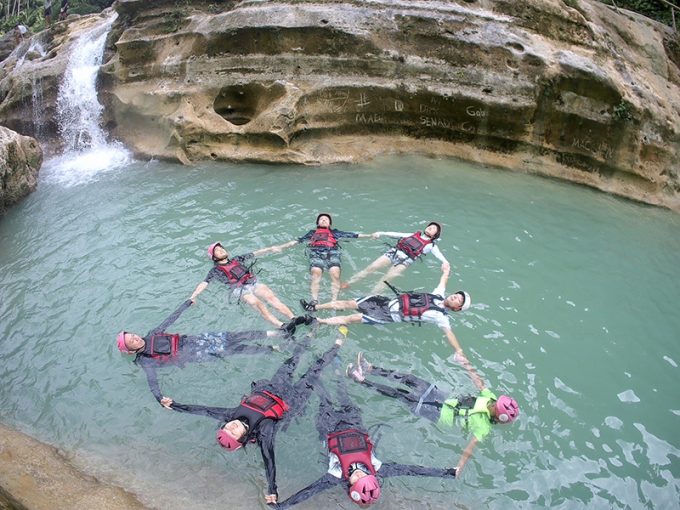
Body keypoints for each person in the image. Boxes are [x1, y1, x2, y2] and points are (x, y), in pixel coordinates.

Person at [159, 327, 348, 506]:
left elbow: (205, 410)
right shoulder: (264, 430)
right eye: (233, 433)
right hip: (292, 400)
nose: (230, 427)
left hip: (272, 389)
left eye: (226, 428)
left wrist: (175, 405)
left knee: (292, 359)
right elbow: (269, 460)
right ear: (242, 438)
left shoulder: (232, 416)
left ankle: (311, 334)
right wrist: (272, 488)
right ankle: (338, 343)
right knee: (314, 370)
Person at [276, 372, 457, 508]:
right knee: (343, 395)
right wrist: (447, 473)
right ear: (373, 477)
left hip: (330, 428)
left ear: (350, 486)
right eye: (365, 476)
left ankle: (316, 376)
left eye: (357, 479)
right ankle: (339, 374)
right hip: (354, 425)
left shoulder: (335, 476)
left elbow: (309, 491)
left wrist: (282, 505)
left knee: (325, 400)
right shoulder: (378, 468)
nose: (360, 474)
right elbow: (412, 470)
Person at [346, 352, 519, 476]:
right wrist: (464, 362)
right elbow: (479, 383)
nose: (494, 402)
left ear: (498, 415)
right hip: (442, 397)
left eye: (496, 406)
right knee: (410, 379)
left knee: (399, 393)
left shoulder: (483, 427)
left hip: (435, 412)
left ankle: (360, 380)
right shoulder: (490, 398)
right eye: (497, 401)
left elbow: (469, 448)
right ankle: (370, 369)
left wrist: (458, 467)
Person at [116, 299, 286, 403]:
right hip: (192, 355)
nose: (136, 338)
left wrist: (186, 304)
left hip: (193, 340)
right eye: (131, 341)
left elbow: (169, 320)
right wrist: (160, 398)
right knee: (233, 350)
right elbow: (152, 380)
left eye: (133, 335)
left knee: (233, 336)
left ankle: (273, 334)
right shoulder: (145, 361)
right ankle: (271, 349)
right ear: (131, 351)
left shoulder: (152, 334)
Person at [302, 263, 471, 356]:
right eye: (457, 295)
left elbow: (450, 334)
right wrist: (446, 270)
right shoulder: (438, 295)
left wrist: (459, 351)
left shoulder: (441, 318)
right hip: (384, 302)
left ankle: (319, 321)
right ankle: (315, 307)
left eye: (459, 300)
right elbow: (443, 280)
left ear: (457, 309)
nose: (456, 297)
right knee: (347, 303)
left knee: (351, 319)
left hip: (387, 315)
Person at [189, 241, 304, 332]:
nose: (221, 250)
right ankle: (281, 325)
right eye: (217, 251)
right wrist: (193, 296)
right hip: (238, 289)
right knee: (257, 303)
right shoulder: (215, 271)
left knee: (271, 297)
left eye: (221, 248)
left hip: (252, 282)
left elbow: (255, 253)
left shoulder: (237, 259)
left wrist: (270, 249)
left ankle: (293, 318)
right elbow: (204, 283)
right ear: (214, 258)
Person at [273, 213, 378, 304]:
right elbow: (297, 241)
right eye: (321, 219)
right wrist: (281, 247)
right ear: (318, 223)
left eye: (326, 219)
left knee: (335, 274)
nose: (323, 220)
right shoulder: (311, 233)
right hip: (316, 252)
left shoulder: (335, 233)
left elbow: (353, 235)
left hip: (332, 252)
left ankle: (334, 300)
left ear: (329, 224)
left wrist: (370, 235)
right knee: (316, 273)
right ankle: (314, 301)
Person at [343, 222, 449, 293]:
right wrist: (381, 233)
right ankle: (349, 283)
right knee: (371, 268)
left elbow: (439, 255)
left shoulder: (431, 245)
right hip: (393, 253)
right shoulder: (413, 234)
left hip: (404, 262)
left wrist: (445, 262)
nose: (431, 227)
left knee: (386, 279)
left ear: (435, 235)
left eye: (434, 228)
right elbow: (396, 234)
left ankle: (369, 296)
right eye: (430, 225)